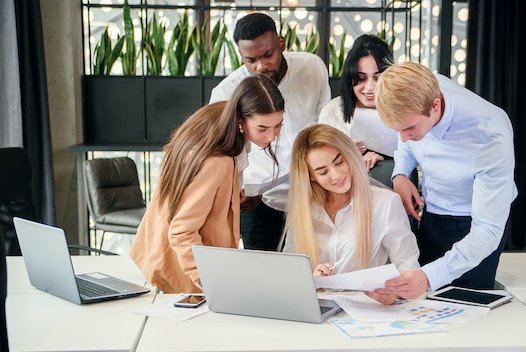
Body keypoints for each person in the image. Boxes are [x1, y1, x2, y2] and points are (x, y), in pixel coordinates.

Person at [370, 62, 517, 302]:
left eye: (409, 128)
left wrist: (428, 277)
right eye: (397, 130)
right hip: (430, 216)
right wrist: (400, 174)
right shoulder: (420, 89)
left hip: (473, 227)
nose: (403, 138)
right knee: (420, 307)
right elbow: (405, 143)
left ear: (435, 106)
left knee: (467, 309)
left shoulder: (490, 133)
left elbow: (487, 231)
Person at [130, 74, 284, 294]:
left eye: (278, 125)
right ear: (241, 120)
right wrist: (209, 282)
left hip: (162, 258)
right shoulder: (217, 161)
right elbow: (182, 232)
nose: (272, 137)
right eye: (262, 128)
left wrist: (237, 197)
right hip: (186, 276)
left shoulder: (217, 122)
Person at [209, 12, 331, 251]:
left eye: (268, 54)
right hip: (256, 203)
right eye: (250, 60)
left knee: (310, 269)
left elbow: (323, 126)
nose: (261, 66)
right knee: (261, 275)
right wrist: (237, 191)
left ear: (282, 43)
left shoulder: (312, 67)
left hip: (308, 192)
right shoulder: (226, 93)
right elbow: (219, 154)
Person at [282, 124, 421, 305]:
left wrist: (395, 292)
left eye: (339, 162)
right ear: (310, 176)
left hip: (365, 309)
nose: (337, 175)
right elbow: (288, 272)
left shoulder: (385, 203)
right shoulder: (304, 210)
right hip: (316, 308)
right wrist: (310, 280)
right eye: (323, 171)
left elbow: (409, 268)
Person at [319, 34, 400, 188]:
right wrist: (346, 155)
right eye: (361, 78)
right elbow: (320, 165)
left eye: (377, 78)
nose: (370, 87)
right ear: (350, 78)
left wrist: (384, 159)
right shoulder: (333, 112)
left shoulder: (401, 109)